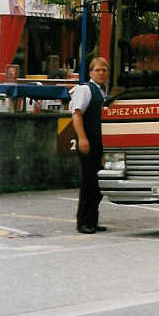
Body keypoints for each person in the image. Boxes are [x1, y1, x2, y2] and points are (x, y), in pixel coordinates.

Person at [69, 57, 109, 234]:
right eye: (98, 70)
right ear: (91, 72)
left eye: (104, 70)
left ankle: (92, 220)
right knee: (88, 183)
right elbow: (77, 114)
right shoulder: (85, 90)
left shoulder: (103, 91)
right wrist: (82, 139)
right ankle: (83, 222)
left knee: (97, 185)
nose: (101, 73)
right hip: (89, 142)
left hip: (99, 143)